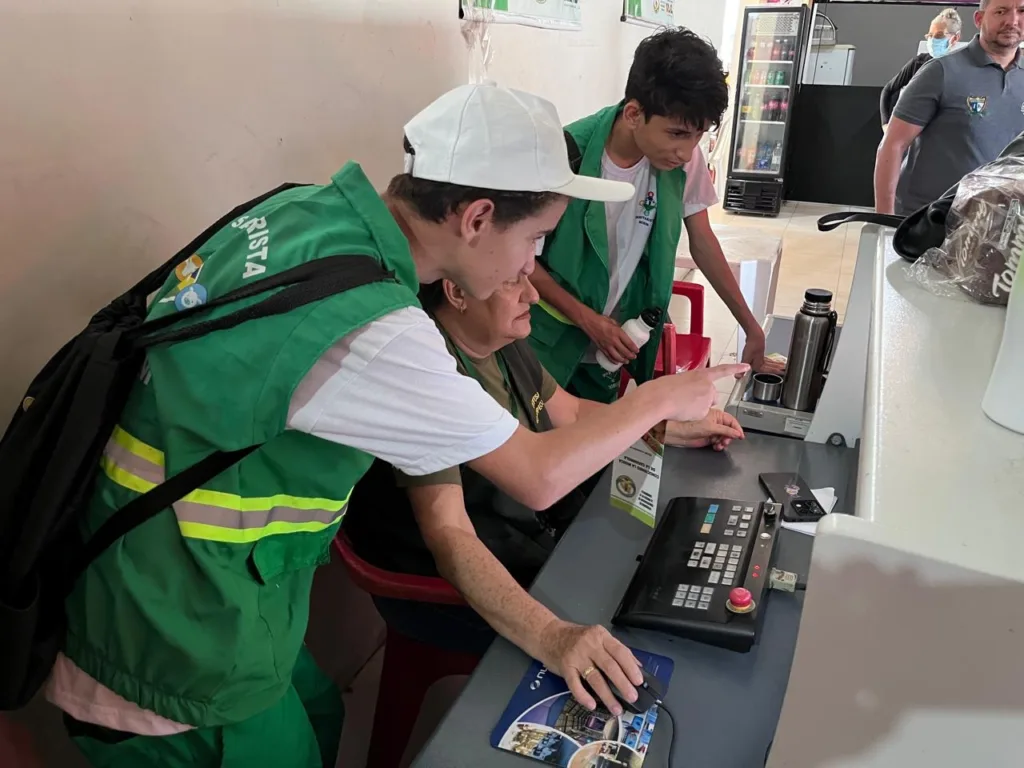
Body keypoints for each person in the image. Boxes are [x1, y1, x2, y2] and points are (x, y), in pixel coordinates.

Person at [47, 82, 747, 768]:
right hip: (165, 640)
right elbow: (538, 476)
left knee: (321, 717)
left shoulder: (303, 211)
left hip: (167, 573)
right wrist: (658, 399)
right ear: (475, 218)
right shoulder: (380, 328)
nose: (534, 269)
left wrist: (652, 420)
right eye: (535, 238)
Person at [344, 274, 744, 658]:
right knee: (643, 631)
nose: (533, 295)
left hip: (525, 534)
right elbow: (449, 534)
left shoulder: (501, 340)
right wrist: (551, 635)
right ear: (456, 291)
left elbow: (569, 412)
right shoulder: (426, 374)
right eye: (511, 280)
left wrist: (672, 429)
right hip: (443, 583)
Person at [528, 27, 777, 405]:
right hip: (546, 341)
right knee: (545, 439)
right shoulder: (567, 154)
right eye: (677, 133)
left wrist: (751, 326)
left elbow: (703, 241)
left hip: (612, 345)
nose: (687, 151)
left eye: (698, 136)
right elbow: (522, 261)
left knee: (600, 445)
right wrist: (588, 320)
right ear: (633, 114)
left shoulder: (680, 162)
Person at [875, 0, 1024, 215]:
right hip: (927, 221)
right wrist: (883, 220)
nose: (1012, 20)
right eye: (1001, 11)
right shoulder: (941, 72)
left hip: (994, 225)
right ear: (979, 19)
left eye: (1021, 11)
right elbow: (892, 145)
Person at [880, 8, 963, 128]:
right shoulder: (918, 62)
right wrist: (885, 124)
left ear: (955, 38)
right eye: (930, 35)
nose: (933, 40)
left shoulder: (961, 68)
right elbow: (888, 90)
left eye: (939, 35)